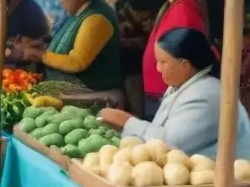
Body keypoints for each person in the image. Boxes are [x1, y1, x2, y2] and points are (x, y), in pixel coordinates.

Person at [99, 28, 250, 160]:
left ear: (185, 66)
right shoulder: (181, 85)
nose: (158, 68)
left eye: (163, 62)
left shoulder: (206, 94)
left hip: (225, 180)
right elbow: (160, 132)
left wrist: (127, 121)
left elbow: (171, 144)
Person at [27, 0, 123, 93]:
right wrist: (41, 45)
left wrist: (41, 55)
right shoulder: (77, 14)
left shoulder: (96, 19)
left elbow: (77, 62)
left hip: (89, 95)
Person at [142, 0, 210, 118]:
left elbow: (185, 60)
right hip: (163, 93)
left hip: (169, 97)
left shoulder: (184, 11)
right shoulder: (178, 4)